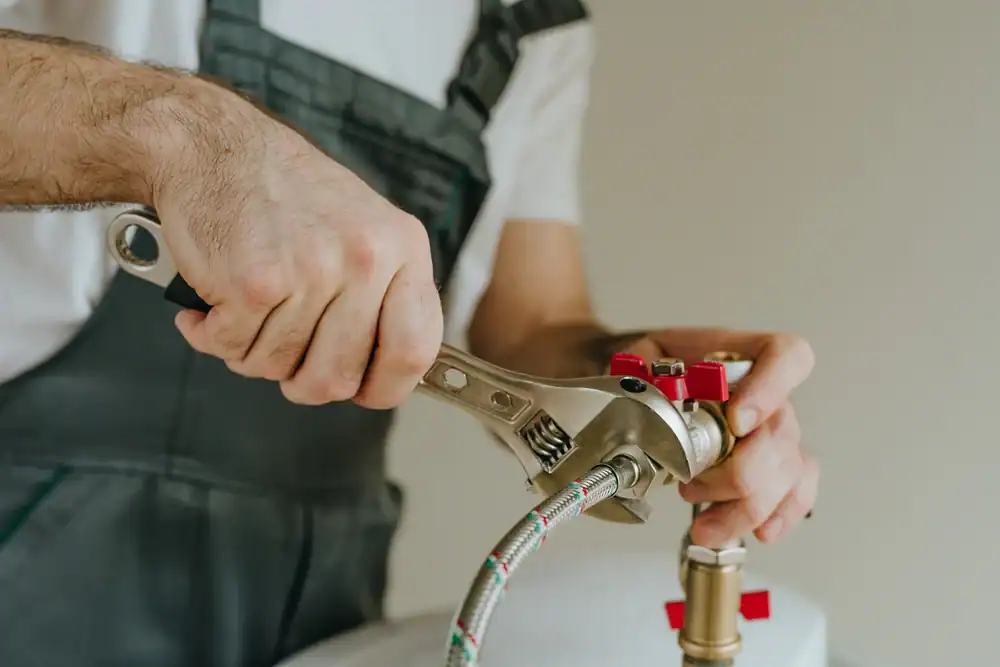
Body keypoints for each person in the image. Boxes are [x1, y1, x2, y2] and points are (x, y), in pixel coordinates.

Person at [0, 1, 819, 665]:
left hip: (321, 614)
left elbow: (533, 322)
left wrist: (637, 388)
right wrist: (187, 133)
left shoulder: (529, 24)